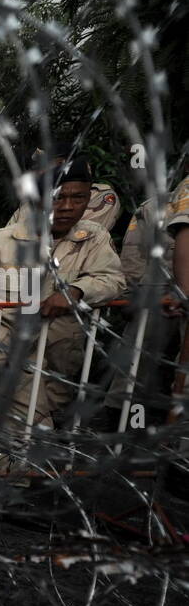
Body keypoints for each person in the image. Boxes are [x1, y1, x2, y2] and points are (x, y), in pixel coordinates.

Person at [0, 157, 124, 472]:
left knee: (24, 420)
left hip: (45, 356)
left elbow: (113, 279)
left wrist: (76, 292)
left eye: (77, 198)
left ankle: (4, 486)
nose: (66, 206)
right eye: (57, 197)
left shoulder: (93, 238)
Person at [100, 172, 189, 433]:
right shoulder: (152, 207)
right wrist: (132, 294)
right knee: (139, 355)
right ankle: (120, 418)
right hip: (157, 290)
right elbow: (133, 255)